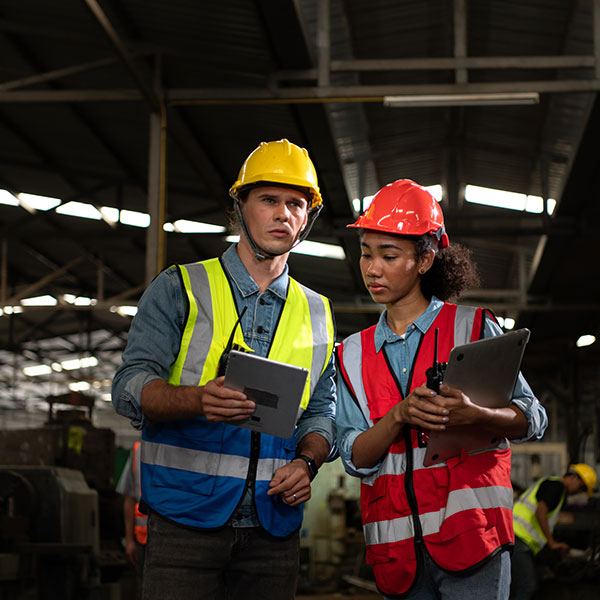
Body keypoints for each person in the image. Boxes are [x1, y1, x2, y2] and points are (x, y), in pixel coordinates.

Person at [111, 139, 336, 600]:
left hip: (273, 528)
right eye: (269, 200)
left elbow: (320, 411)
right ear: (240, 206)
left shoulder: (317, 311)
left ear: (308, 218)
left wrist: (307, 462)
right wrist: (197, 399)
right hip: (183, 521)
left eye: (296, 204)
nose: (283, 214)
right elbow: (129, 385)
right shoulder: (180, 287)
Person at [335, 179, 548, 600]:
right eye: (366, 254)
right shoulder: (351, 354)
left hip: (473, 544)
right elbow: (353, 456)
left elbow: (533, 417)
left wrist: (480, 415)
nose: (372, 268)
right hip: (397, 557)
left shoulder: (471, 329)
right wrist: (397, 416)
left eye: (389, 255)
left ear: (426, 259)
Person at [511, 463, 597, 600]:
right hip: (518, 537)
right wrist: (552, 543)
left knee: (527, 583)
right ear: (574, 478)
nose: (578, 492)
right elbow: (540, 512)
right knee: (528, 586)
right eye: (581, 487)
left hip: (521, 539)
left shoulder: (558, 491)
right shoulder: (556, 486)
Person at [116, 440, 147, 592]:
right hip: (143, 539)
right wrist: (129, 540)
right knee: (146, 589)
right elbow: (129, 498)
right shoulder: (138, 451)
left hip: (175, 537)